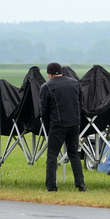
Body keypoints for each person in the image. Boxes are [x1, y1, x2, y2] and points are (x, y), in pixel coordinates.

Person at [39, 62, 87, 192]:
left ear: (49, 74)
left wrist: (48, 126)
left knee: (52, 155)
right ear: (61, 71)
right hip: (74, 124)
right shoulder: (75, 83)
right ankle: (81, 185)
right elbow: (80, 104)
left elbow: (44, 110)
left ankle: (52, 186)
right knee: (74, 154)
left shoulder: (46, 86)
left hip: (58, 125)